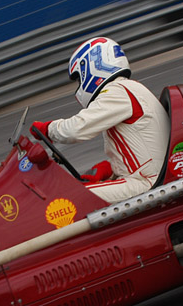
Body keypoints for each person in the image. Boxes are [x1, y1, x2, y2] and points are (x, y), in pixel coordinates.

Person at [32, 37, 169, 203]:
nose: (79, 83)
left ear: (91, 66)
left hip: (146, 182)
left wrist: (47, 129)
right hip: (148, 176)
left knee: (63, 200)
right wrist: (106, 170)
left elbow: (75, 130)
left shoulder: (116, 92)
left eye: (78, 78)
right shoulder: (129, 88)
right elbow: (141, 150)